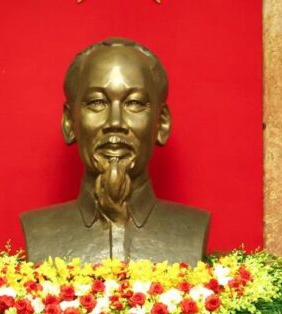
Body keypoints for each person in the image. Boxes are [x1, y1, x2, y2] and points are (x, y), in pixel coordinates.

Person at [21, 37, 209, 264]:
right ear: (70, 122)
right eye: (96, 102)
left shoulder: (192, 230)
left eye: (135, 103)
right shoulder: (39, 230)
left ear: (161, 124)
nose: (115, 122)